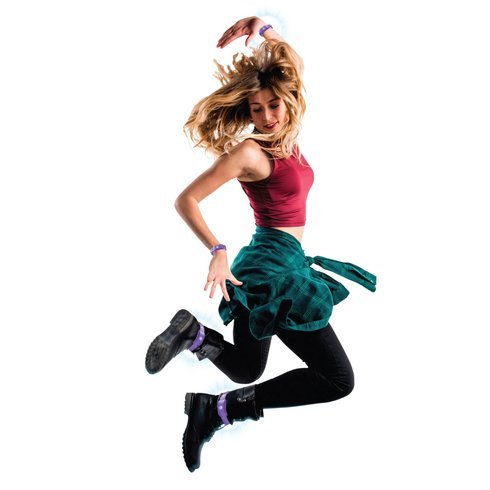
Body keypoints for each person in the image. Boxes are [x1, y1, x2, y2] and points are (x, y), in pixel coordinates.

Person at [145, 16, 377, 473]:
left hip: (281, 262)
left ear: (287, 102)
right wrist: (217, 250)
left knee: (246, 369)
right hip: (272, 269)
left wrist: (263, 27)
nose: (267, 116)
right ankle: (217, 407)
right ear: (247, 113)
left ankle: (194, 338)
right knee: (337, 379)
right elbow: (186, 200)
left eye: (274, 105)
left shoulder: (286, 136)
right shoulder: (251, 152)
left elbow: (294, 66)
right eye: (256, 110)